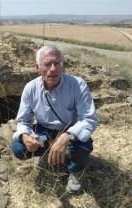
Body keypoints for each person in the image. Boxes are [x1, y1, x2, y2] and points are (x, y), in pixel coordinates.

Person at [11, 45, 98, 194]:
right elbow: (23, 120)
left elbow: (88, 119)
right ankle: (43, 154)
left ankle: (75, 170)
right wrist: (25, 137)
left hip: (70, 131)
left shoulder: (77, 85)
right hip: (44, 130)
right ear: (38, 67)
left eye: (57, 63)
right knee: (19, 148)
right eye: (47, 64)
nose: (53, 69)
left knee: (83, 145)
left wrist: (66, 136)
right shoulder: (30, 88)